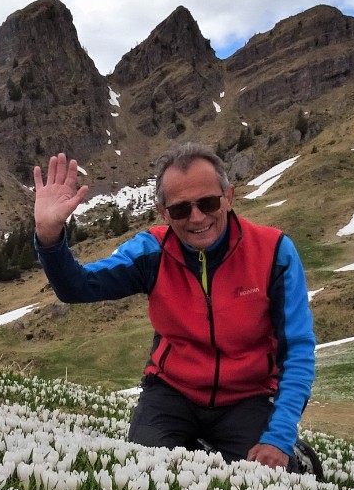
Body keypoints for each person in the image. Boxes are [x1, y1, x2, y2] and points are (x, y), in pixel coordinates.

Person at [33, 142, 316, 470]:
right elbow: (76, 287)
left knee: (273, 482)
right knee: (144, 474)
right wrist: (50, 234)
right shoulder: (150, 252)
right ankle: (204, 448)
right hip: (171, 393)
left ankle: (299, 454)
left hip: (247, 397)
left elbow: (297, 351)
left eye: (208, 202)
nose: (197, 218)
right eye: (181, 209)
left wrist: (278, 437)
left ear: (229, 197)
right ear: (163, 213)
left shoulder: (274, 252)